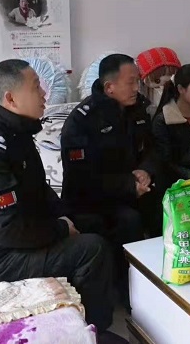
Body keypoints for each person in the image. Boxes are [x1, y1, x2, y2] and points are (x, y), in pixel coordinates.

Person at [0, 60, 124, 344]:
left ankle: (116, 300)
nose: (44, 94)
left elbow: (38, 189)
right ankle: (94, 331)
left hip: (9, 233)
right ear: (11, 99)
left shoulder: (16, 131)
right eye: (36, 87)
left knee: (97, 220)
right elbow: (6, 230)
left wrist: (67, 217)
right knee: (91, 249)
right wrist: (60, 229)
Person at [60, 53, 158, 307]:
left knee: (168, 203)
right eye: (131, 82)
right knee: (129, 220)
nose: (137, 88)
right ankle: (131, 297)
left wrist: (145, 170)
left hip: (134, 190)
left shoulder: (138, 108)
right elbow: (83, 179)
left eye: (138, 81)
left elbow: (152, 148)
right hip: (92, 201)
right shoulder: (82, 121)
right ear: (109, 87)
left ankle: (165, 283)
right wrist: (128, 186)